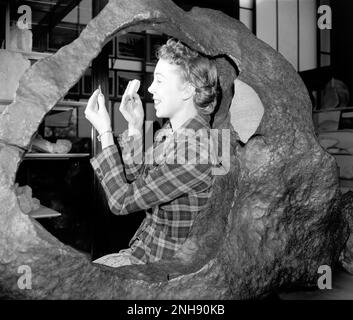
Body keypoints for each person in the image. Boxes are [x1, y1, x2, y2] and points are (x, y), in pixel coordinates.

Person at [84, 38, 219, 267]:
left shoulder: (196, 149)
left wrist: (105, 132)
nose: (150, 89)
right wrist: (135, 126)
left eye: (159, 81)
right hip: (142, 254)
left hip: (161, 269)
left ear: (187, 89)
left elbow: (121, 200)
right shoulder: (171, 133)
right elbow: (138, 180)